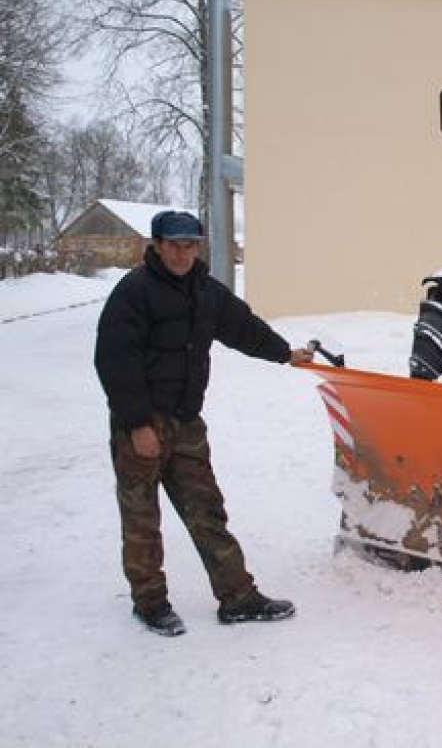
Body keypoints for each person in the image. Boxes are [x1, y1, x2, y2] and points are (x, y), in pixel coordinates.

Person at [94, 210, 314, 637]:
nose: (182, 254)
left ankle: (237, 597)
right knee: (142, 518)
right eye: (173, 245)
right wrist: (138, 424)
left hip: (185, 423)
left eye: (189, 246)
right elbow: (114, 361)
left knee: (207, 511)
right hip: (141, 423)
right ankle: (150, 603)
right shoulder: (134, 292)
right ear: (157, 246)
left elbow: (245, 329)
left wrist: (286, 353)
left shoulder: (206, 292)